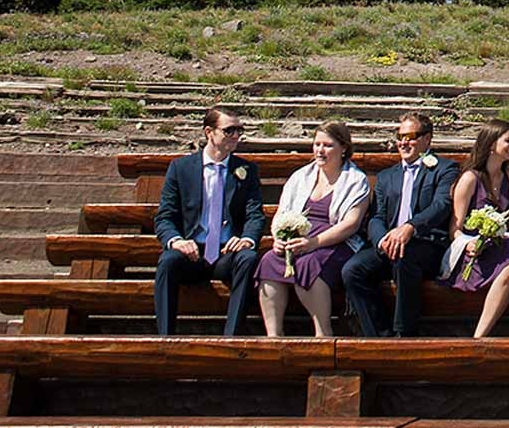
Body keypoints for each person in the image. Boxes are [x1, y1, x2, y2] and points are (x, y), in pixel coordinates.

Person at [341, 111, 461, 337]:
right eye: (399, 136)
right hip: (388, 244)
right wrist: (382, 240)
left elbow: (441, 205)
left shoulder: (444, 169)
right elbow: (377, 216)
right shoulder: (387, 176)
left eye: (411, 136)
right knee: (352, 270)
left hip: (425, 245)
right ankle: (379, 335)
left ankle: (404, 334)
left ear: (427, 139)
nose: (403, 142)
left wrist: (410, 227)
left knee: (404, 258)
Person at [153, 106, 264, 336]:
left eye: (239, 130)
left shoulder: (246, 170)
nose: (236, 136)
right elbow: (165, 216)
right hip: (191, 251)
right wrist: (176, 241)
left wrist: (246, 239)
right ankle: (164, 337)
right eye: (229, 130)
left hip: (226, 252)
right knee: (167, 262)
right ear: (209, 132)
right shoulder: (181, 168)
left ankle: (231, 337)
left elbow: (255, 214)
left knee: (248, 257)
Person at [258, 120, 368, 336]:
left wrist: (314, 243)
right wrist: (278, 237)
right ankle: (274, 336)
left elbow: (351, 224)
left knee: (309, 263)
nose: (320, 150)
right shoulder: (301, 176)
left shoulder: (356, 180)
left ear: (343, 148)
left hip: (335, 242)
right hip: (299, 240)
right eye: (317, 144)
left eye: (327, 145)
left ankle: (323, 333)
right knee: (269, 260)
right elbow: (282, 213)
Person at [444, 119, 509, 338]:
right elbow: (455, 227)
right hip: (472, 256)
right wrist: (470, 242)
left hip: (498, 252)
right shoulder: (470, 179)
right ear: (491, 144)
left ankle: (479, 337)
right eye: (508, 141)